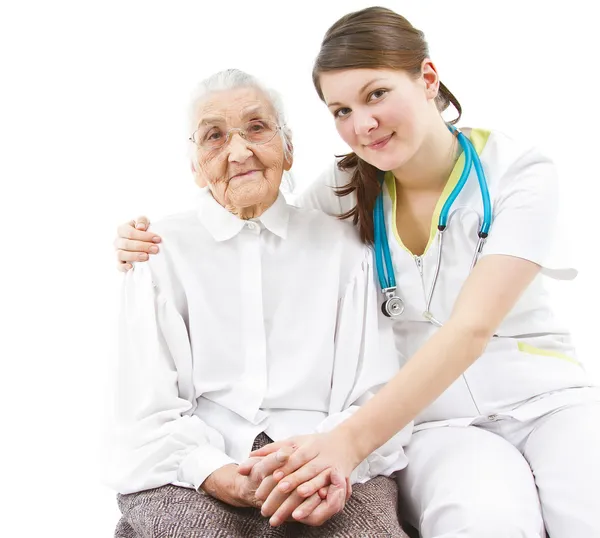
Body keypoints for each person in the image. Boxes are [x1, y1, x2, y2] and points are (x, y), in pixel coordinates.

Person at [113, 7, 600, 538]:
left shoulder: (517, 172)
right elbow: (259, 218)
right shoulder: (343, 189)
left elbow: (471, 330)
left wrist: (345, 443)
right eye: (340, 109)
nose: (362, 124)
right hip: (434, 422)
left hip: (545, 400)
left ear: (428, 79)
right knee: (485, 519)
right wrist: (141, 245)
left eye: (376, 94)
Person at [107, 67, 412, 538]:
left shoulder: (348, 251)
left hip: (329, 458)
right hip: (193, 463)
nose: (238, 151)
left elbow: (375, 397)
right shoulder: (158, 254)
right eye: (213, 137)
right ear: (194, 166)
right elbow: (144, 412)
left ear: (288, 150)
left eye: (257, 128)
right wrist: (214, 470)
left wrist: (320, 459)